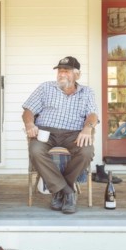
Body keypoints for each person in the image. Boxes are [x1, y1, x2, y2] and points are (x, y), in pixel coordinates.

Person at [22, 56, 104, 214]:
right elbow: (28, 111)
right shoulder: (46, 88)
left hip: (74, 133)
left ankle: (60, 190)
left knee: (86, 151)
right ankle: (68, 192)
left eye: (66, 71)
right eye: (59, 71)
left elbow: (92, 114)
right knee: (35, 150)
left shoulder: (86, 92)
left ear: (77, 75)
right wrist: (30, 124)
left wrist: (87, 129)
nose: (61, 74)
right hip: (46, 132)